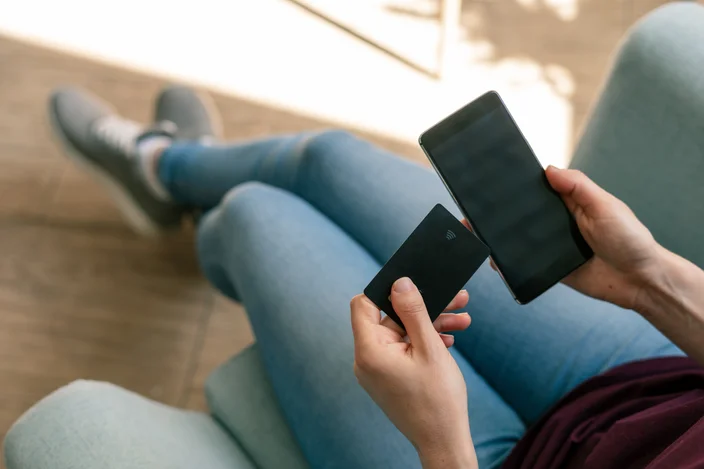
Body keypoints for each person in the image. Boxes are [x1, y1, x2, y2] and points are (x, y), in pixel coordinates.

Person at [49, 85, 704, 469]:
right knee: (324, 158)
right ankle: (164, 166)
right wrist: (653, 281)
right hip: (652, 376)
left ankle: (191, 203)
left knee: (251, 215)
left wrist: (440, 440)